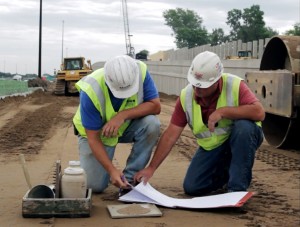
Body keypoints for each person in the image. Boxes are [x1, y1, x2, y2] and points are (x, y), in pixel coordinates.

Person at [134, 51, 265, 196]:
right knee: (193, 187)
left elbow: (259, 112)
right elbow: (170, 135)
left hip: (241, 139)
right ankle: (228, 174)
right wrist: (151, 168)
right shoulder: (186, 96)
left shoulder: (234, 85)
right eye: (195, 84)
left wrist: (223, 112)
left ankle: (236, 190)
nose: (197, 89)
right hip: (214, 147)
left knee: (244, 128)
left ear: (217, 80)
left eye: (203, 86)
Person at [73, 55, 161, 193]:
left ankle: (130, 180)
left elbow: (155, 106)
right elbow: (93, 138)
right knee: (94, 186)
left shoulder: (140, 72)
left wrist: (122, 116)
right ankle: (102, 172)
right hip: (97, 133)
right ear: (108, 81)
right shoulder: (90, 90)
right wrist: (111, 169)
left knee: (152, 124)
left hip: (125, 126)